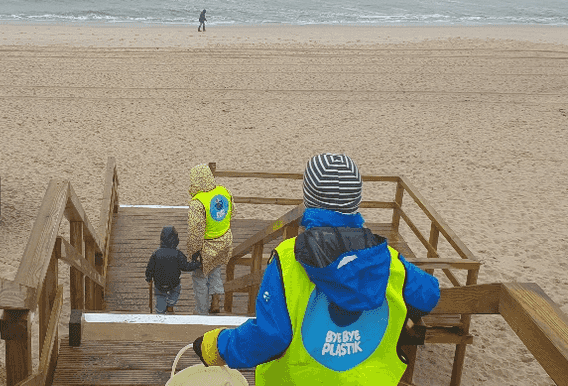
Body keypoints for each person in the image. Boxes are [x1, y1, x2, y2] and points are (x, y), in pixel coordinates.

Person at [191, 153, 441, 385]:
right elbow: (428, 295)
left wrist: (217, 347)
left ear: (308, 201)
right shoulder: (387, 259)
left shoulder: (288, 259)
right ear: (358, 201)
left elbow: (270, 338)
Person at [186, 164, 234, 315]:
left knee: (200, 278)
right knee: (216, 269)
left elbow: (196, 231)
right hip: (224, 240)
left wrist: (193, 253)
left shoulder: (197, 203)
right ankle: (216, 300)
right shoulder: (223, 191)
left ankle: (201, 312)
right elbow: (232, 211)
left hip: (207, 246)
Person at [145, 226, 202, 314]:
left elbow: (150, 268)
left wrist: (148, 278)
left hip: (159, 283)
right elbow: (186, 266)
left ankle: (160, 312)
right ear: (176, 239)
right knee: (176, 291)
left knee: (160, 296)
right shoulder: (178, 254)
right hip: (173, 282)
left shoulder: (156, 254)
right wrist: (197, 264)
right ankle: (170, 305)